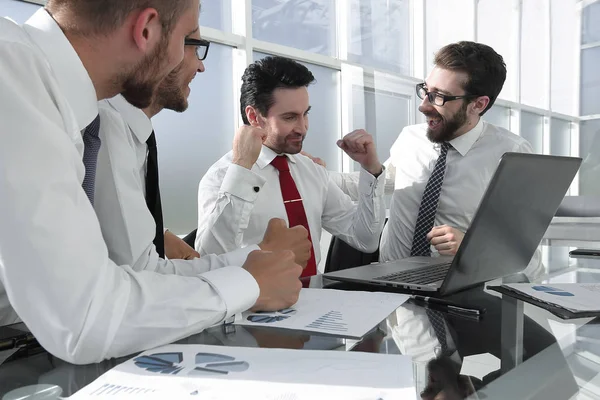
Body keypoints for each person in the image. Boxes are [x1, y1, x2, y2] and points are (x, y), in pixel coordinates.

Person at [0, 0, 302, 364]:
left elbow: (135, 276)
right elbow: (85, 319)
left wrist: (251, 265)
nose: (198, 63)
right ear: (146, 30)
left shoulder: (52, 96)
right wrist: (249, 284)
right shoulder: (12, 77)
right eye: (189, 40)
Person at [94, 30, 310, 275]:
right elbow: (140, 279)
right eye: (195, 47)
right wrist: (262, 254)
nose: (201, 66)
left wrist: (159, 235)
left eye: (305, 114)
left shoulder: (135, 135)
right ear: (147, 35)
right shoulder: (106, 130)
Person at [328, 41, 541, 278]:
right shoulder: (411, 137)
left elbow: (528, 258)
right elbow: (388, 181)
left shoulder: (511, 153)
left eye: (439, 97)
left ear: (478, 104)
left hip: (459, 296)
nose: (423, 106)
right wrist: (313, 173)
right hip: (390, 285)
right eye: (426, 91)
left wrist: (473, 248)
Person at [195, 55, 387, 276]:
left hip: (317, 302)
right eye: (290, 117)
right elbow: (208, 260)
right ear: (254, 117)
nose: (303, 128)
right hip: (253, 307)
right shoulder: (221, 177)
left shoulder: (312, 171)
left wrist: (371, 170)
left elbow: (366, 239)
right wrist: (242, 171)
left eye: (305, 114)